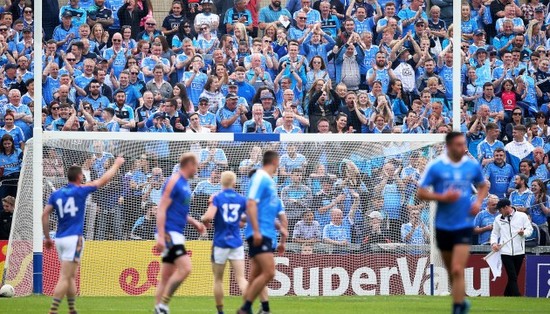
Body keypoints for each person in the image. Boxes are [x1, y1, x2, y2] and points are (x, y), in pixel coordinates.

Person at [42, 156, 125, 314]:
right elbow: (103, 180)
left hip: (59, 238)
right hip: (74, 238)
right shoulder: (81, 190)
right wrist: (116, 164)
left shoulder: (57, 194)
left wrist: (47, 237)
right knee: (65, 276)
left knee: (71, 275)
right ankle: (52, 310)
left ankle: (72, 309)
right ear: (80, 177)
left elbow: (44, 215)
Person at [417, 132, 488, 314]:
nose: (462, 148)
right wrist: (442, 196)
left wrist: (478, 202)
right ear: (448, 146)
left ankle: (458, 308)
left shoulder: (471, 166)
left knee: (457, 268)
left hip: (464, 223)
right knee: (451, 270)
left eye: (463, 144)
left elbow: (483, 185)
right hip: (442, 225)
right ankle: (460, 301)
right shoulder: (436, 167)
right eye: (458, 144)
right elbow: (421, 193)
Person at [154, 153, 206, 314]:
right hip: (170, 232)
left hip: (176, 231)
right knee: (186, 268)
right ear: (189, 164)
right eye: (196, 165)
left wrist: (195, 222)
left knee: (166, 277)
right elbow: (161, 208)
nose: (197, 169)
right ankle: (163, 304)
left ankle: (159, 309)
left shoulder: (185, 184)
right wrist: (161, 236)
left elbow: (179, 211)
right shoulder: (174, 181)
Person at [238, 150, 288, 314]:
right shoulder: (260, 177)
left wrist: (281, 230)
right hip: (259, 234)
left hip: (267, 233)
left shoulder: (270, 183)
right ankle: (246, 309)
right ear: (274, 161)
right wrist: (257, 231)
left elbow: (265, 211)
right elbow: (250, 204)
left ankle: (251, 309)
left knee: (254, 277)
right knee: (269, 272)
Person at [201, 171, 248, 314]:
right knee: (241, 278)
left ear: (221, 182)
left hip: (220, 242)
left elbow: (208, 217)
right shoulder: (241, 199)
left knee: (218, 280)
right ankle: (248, 308)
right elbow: (248, 218)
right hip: (236, 242)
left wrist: (205, 221)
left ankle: (220, 311)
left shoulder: (217, 197)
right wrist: (239, 221)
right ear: (234, 183)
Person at [490, 198, 533, 297]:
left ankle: (507, 295)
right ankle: (517, 296)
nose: (499, 212)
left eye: (500, 210)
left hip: (519, 251)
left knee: (513, 276)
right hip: (505, 252)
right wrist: (494, 243)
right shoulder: (498, 219)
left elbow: (529, 230)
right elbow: (494, 233)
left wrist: (523, 233)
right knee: (512, 275)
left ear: (506, 207)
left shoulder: (522, 216)